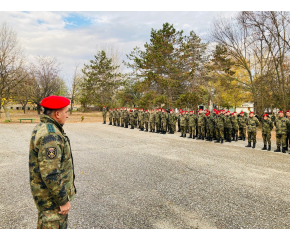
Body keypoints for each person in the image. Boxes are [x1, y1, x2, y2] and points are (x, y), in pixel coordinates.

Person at [29, 95, 76, 229]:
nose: (67, 115)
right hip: (52, 202)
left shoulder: (44, 126)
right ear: (57, 114)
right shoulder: (51, 135)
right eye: (66, 112)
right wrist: (63, 200)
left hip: (48, 198)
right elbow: (51, 173)